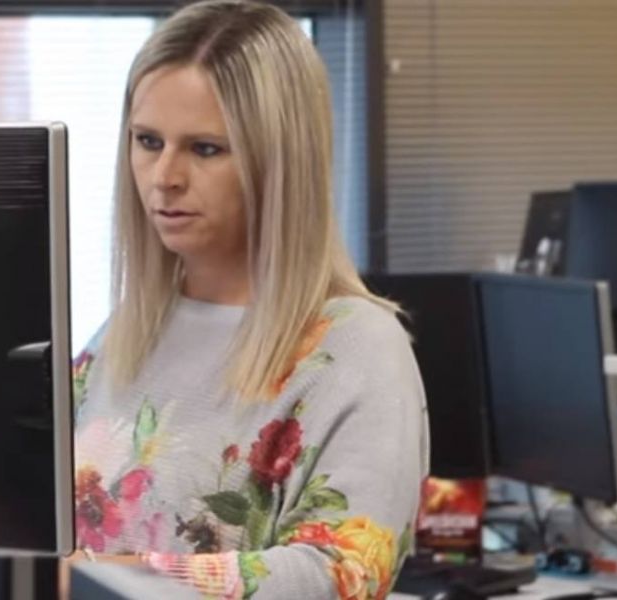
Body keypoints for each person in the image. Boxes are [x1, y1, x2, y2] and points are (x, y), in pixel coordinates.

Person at [67, 1, 429, 598]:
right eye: (148, 141)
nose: (164, 176)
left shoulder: (358, 348)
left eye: (205, 149)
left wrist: (120, 577)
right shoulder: (123, 333)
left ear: (278, 162)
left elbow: (342, 574)